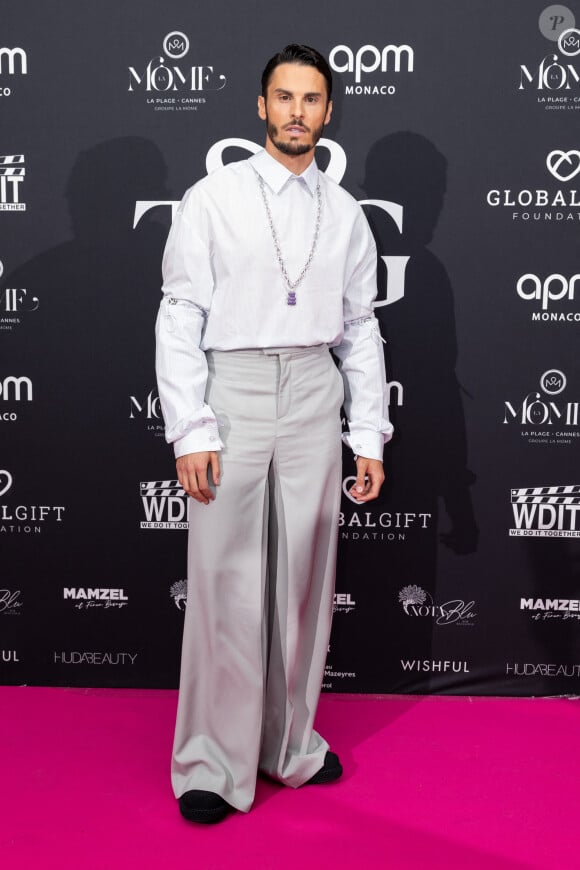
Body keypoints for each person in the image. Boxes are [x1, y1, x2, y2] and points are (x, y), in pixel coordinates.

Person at [155, 44, 392, 824]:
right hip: (235, 392)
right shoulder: (214, 198)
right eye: (283, 97)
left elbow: (359, 329)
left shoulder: (347, 212)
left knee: (303, 585)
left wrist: (370, 436)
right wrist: (190, 428)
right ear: (261, 107)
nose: (297, 111)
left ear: (329, 113)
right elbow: (181, 314)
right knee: (224, 583)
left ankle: (288, 746)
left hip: (314, 393)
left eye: (312, 99)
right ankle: (210, 765)